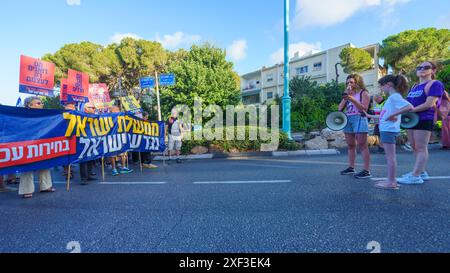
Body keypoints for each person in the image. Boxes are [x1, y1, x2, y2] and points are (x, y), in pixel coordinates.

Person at [397, 61, 445, 185]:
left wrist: (410, 110)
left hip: (424, 118)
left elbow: (429, 104)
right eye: (419, 67)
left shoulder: (435, 84)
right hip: (411, 120)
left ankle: (415, 176)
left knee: (421, 147)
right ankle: (422, 172)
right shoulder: (414, 87)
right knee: (414, 146)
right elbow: (409, 103)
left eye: (426, 67)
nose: (422, 69)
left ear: (433, 70)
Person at [365, 75, 413, 190]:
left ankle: (391, 182)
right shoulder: (391, 98)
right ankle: (390, 180)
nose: (381, 89)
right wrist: (368, 115)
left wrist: (394, 114)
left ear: (388, 85)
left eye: (381, 86)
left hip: (388, 130)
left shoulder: (394, 97)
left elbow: (409, 107)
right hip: (387, 130)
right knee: (389, 156)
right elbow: (383, 116)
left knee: (390, 157)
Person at [18, 97, 55, 198]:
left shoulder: (45, 115)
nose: (42, 105)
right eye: (38, 103)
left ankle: (46, 186)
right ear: (29, 105)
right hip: (27, 144)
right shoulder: (21, 116)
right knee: (27, 166)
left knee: (44, 164)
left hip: (42, 143)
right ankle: (27, 189)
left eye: (42, 103)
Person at [338, 74, 372, 179]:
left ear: (357, 82)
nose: (349, 84)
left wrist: (352, 99)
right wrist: (346, 97)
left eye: (351, 82)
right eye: (348, 82)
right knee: (351, 145)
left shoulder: (364, 93)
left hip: (359, 118)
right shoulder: (348, 94)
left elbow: (364, 109)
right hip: (348, 119)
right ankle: (351, 167)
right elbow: (339, 108)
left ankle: (366, 170)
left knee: (362, 145)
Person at [109, 106, 133, 176]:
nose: (118, 110)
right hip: (112, 138)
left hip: (121, 137)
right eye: (117, 109)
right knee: (112, 154)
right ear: (112, 110)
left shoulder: (121, 116)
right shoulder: (108, 117)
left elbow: (130, 114)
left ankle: (123, 167)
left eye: (118, 109)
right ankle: (114, 169)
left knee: (123, 153)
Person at [79, 103, 98, 185]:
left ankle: (89, 175)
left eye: (94, 108)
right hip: (83, 141)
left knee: (91, 158)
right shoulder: (79, 116)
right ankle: (83, 178)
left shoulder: (96, 117)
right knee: (83, 159)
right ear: (86, 109)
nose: (94, 109)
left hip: (92, 140)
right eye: (92, 108)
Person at [63, 102, 76, 178]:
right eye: (70, 107)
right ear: (66, 107)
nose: (72, 108)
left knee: (71, 155)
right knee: (65, 155)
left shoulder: (77, 115)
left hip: (74, 138)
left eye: (73, 107)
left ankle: (70, 170)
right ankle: (67, 171)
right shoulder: (61, 115)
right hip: (64, 138)